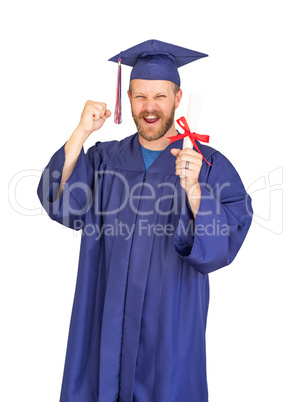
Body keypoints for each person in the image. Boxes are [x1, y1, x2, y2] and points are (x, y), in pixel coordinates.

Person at [37, 39, 252, 402]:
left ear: (178, 98)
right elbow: (59, 203)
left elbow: (225, 241)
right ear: (129, 98)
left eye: (160, 97)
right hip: (105, 316)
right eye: (139, 97)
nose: (150, 108)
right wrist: (81, 133)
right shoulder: (105, 158)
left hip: (169, 324)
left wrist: (195, 191)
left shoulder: (207, 164)